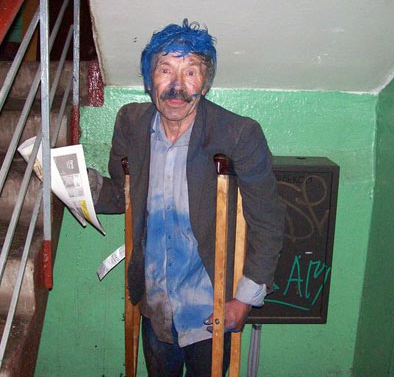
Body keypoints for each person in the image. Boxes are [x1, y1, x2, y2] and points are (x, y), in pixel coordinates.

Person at [88, 19, 284, 376]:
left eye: (190, 72)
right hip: (154, 304)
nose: (177, 86)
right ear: (149, 80)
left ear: (205, 83)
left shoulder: (239, 133)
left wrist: (245, 298)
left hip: (211, 308)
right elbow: (123, 196)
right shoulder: (131, 123)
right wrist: (77, 184)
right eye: (165, 70)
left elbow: (267, 220)